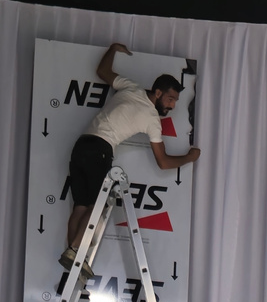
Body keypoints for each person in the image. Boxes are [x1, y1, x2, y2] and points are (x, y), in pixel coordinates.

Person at [62, 42, 201, 266]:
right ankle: (75, 252)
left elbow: (102, 71)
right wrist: (189, 158)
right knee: (96, 207)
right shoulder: (152, 119)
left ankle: (71, 259)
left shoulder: (132, 87)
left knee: (80, 206)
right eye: (170, 99)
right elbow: (163, 162)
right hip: (100, 150)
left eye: (175, 101)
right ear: (158, 93)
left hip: (81, 146)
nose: (173, 106)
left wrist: (113, 49)